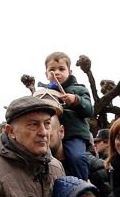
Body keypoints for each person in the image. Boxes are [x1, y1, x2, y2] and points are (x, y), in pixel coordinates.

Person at [40, 51, 96, 181]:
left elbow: (89, 110)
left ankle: (82, 182)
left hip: (73, 134)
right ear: (46, 74)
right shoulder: (46, 92)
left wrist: (76, 100)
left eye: (61, 69)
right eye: (52, 69)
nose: (57, 72)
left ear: (69, 72)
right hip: (51, 136)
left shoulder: (79, 89)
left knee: (76, 157)